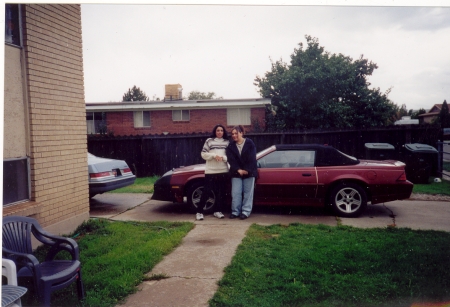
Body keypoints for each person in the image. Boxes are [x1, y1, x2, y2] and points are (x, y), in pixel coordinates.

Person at [195, 124, 230, 220]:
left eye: (221, 130)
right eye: (218, 130)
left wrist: (223, 158)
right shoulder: (209, 141)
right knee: (206, 191)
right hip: (210, 171)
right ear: (215, 131)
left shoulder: (227, 142)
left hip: (223, 170)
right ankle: (199, 212)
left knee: (220, 192)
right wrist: (214, 156)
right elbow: (203, 154)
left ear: (224, 132)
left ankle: (217, 211)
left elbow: (230, 157)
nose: (220, 132)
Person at [226, 125, 258, 220]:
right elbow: (231, 159)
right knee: (236, 193)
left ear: (241, 133)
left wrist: (246, 170)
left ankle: (245, 212)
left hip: (249, 172)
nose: (234, 135)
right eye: (232, 134)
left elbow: (252, 158)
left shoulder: (249, 143)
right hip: (236, 172)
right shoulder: (231, 146)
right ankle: (235, 211)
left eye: (236, 133)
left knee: (248, 193)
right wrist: (238, 170)